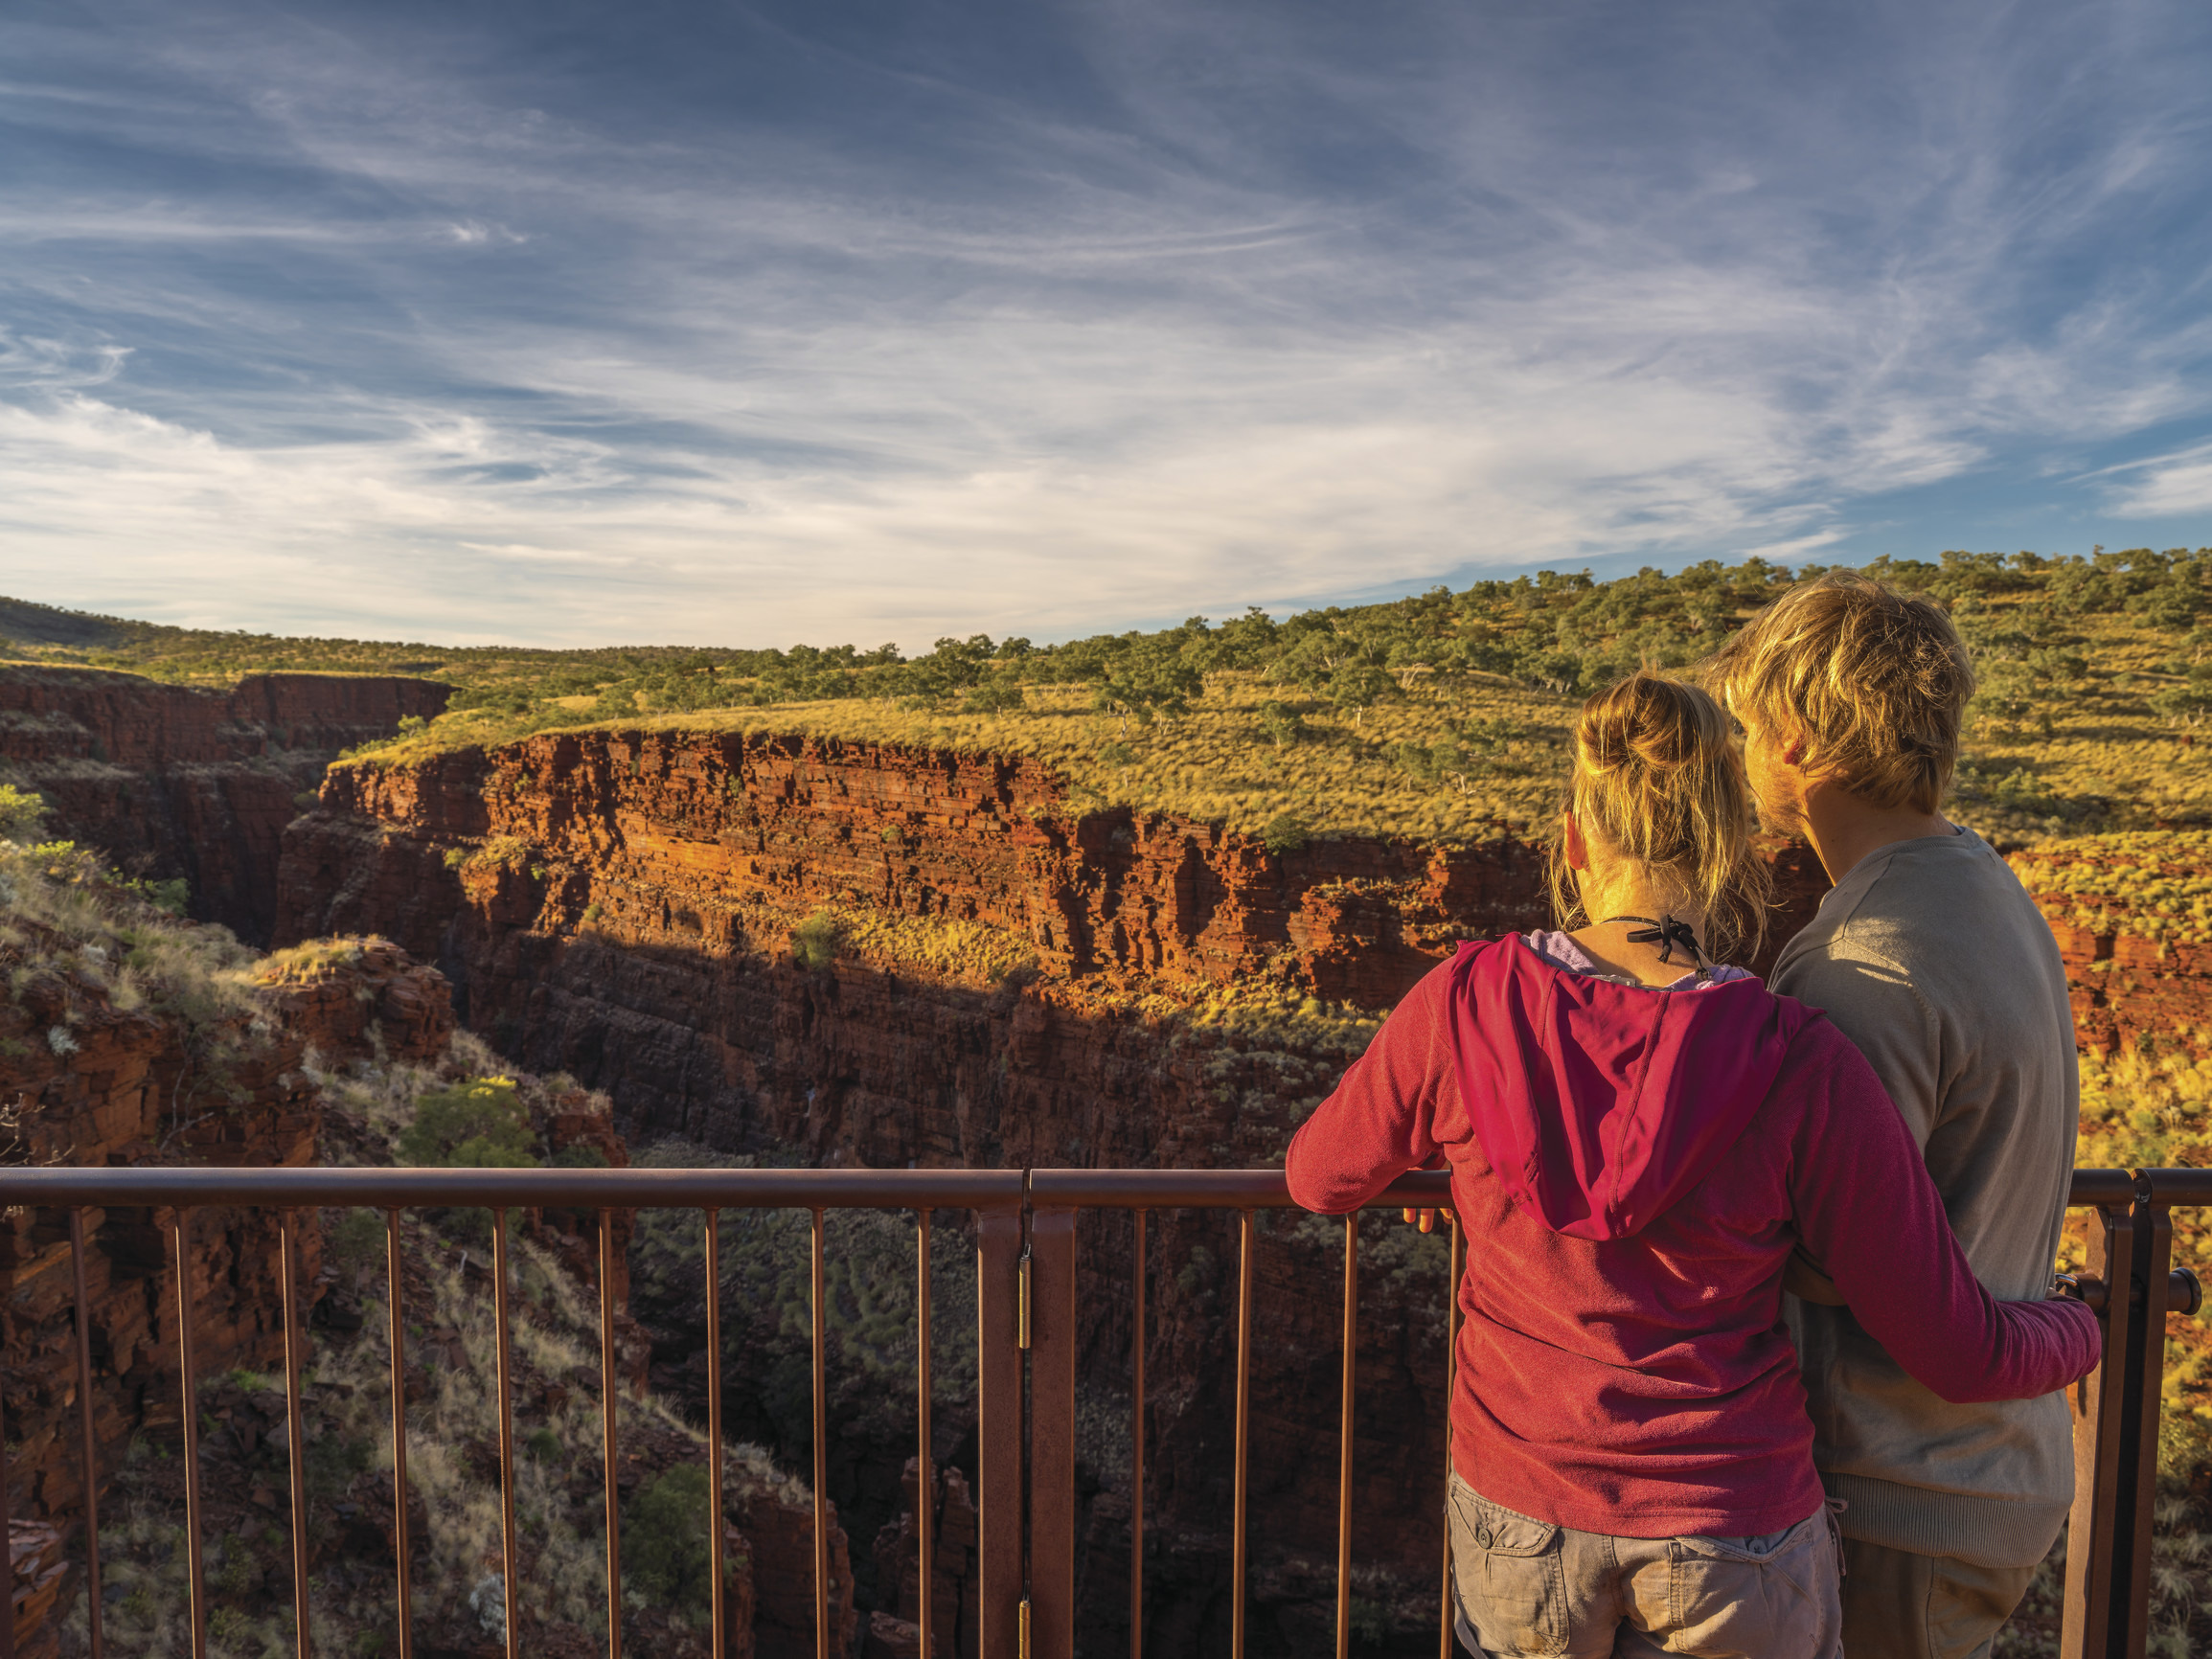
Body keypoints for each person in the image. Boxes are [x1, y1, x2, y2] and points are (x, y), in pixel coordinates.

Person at [1283, 670, 2098, 1659]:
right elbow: (1957, 1347)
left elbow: (1317, 1177)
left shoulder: (1463, 1003)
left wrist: (1462, 1169)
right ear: (1730, 844)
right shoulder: (1797, 1060)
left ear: (1575, 840)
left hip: (1520, 1512)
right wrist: (2082, 1323)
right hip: (1731, 1532)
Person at [1710, 571, 2084, 1659]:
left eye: (1743, 727)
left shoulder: (1854, 966)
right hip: (1989, 1464)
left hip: (1894, 1492)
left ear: (1794, 737)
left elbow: (1844, 1252)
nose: (1736, 754)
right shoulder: (1982, 885)